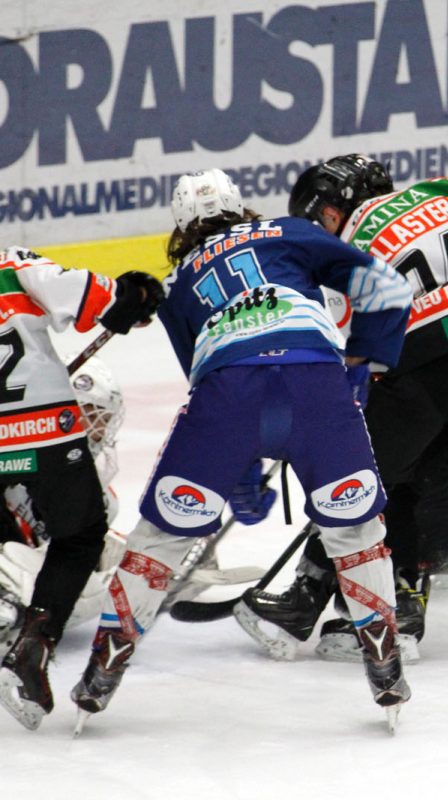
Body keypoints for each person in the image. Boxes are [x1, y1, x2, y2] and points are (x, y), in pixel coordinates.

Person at [69, 168, 413, 734]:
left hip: (228, 397)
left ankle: (103, 670)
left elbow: (206, 376)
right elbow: (389, 289)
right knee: (355, 530)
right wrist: (364, 363)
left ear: (181, 225)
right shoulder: (291, 232)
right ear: (240, 206)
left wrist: (241, 473)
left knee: (161, 538)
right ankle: (384, 664)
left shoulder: (179, 283)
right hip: (314, 382)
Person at [234, 154, 448, 661]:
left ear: (335, 209)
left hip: (423, 359)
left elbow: (342, 355)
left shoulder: (340, 253)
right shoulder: (439, 193)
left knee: (365, 480)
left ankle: (320, 604)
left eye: (320, 218)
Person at [0, 247, 163, 730]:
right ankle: (35, 642)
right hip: (43, 425)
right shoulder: (11, 265)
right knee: (82, 534)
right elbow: (97, 297)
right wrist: (133, 295)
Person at [0, 356, 127, 659]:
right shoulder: (17, 447)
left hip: (24, 576)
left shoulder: (100, 493)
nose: (99, 427)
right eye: (91, 414)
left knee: (90, 584)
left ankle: (14, 607)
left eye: (104, 418)